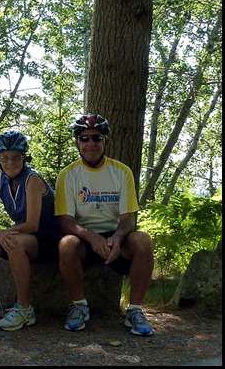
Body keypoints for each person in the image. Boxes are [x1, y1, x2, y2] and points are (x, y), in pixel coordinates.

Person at [54, 113, 155, 336]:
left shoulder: (122, 171)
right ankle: (79, 306)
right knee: (66, 244)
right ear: (77, 142)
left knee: (143, 241)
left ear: (107, 141)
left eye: (97, 138)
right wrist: (92, 238)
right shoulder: (68, 175)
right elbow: (66, 221)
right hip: (84, 239)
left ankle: (135, 311)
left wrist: (117, 239)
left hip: (116, 238)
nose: (90, 144)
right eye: (84, 138)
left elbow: (128, 217)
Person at [0, 131, 62, 330]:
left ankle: (24, 308)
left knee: (14, 242)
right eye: (5, 157)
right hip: (21, 235)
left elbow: (32, 225)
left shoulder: (32, 180)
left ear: (24, 157)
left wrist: (0, 234)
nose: (10, 162)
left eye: (16, 157)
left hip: (47, 240)